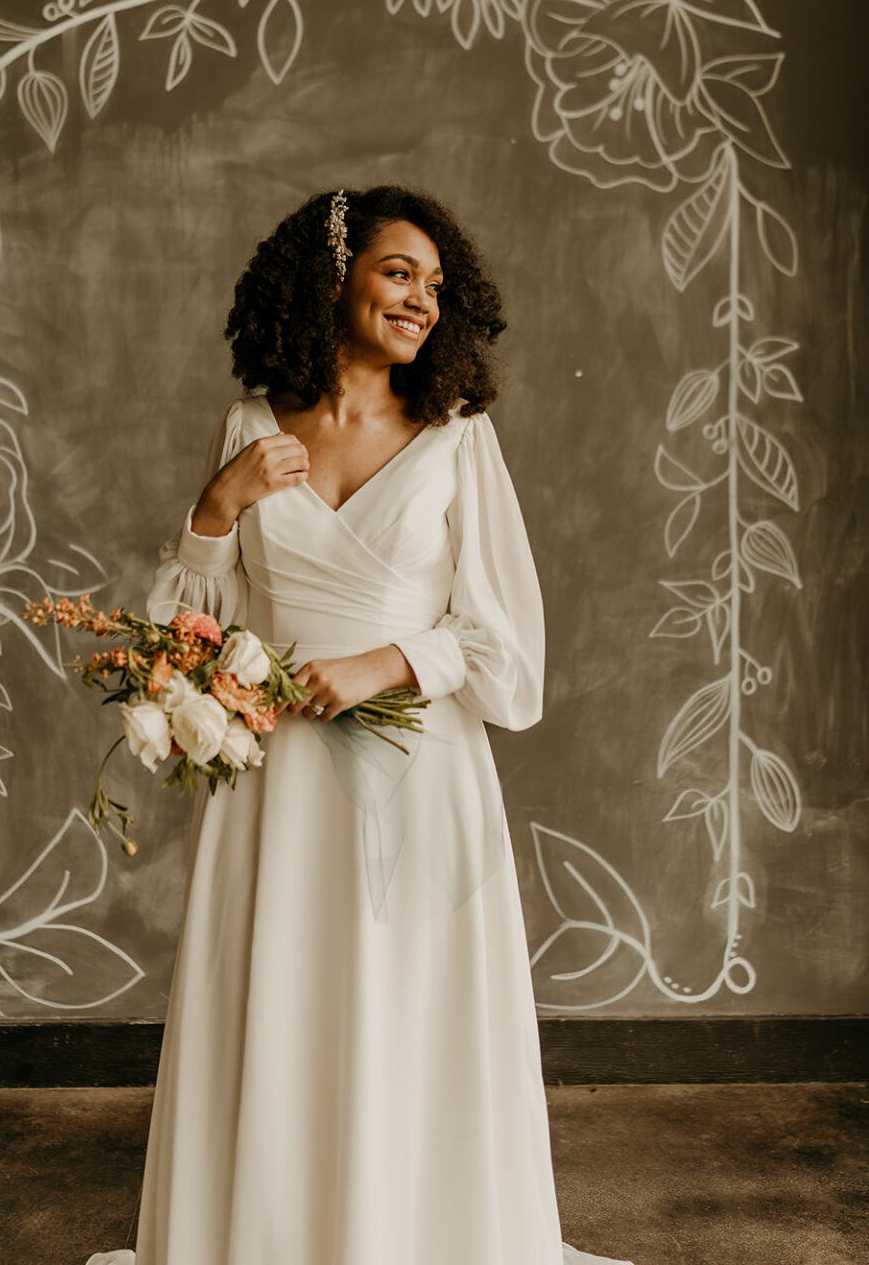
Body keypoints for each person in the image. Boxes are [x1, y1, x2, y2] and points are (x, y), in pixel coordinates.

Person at [88, 185, 634, 1265]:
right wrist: (215, 508)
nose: (421, 301)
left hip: (419, 774)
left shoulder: (454, 437)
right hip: (277, 785)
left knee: (409, 1015)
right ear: (332, 279)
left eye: (436, 287)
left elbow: (509, 653)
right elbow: (192, 640)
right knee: (288, 1012)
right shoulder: (249, 429)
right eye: (398, 273)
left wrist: (388, 661)